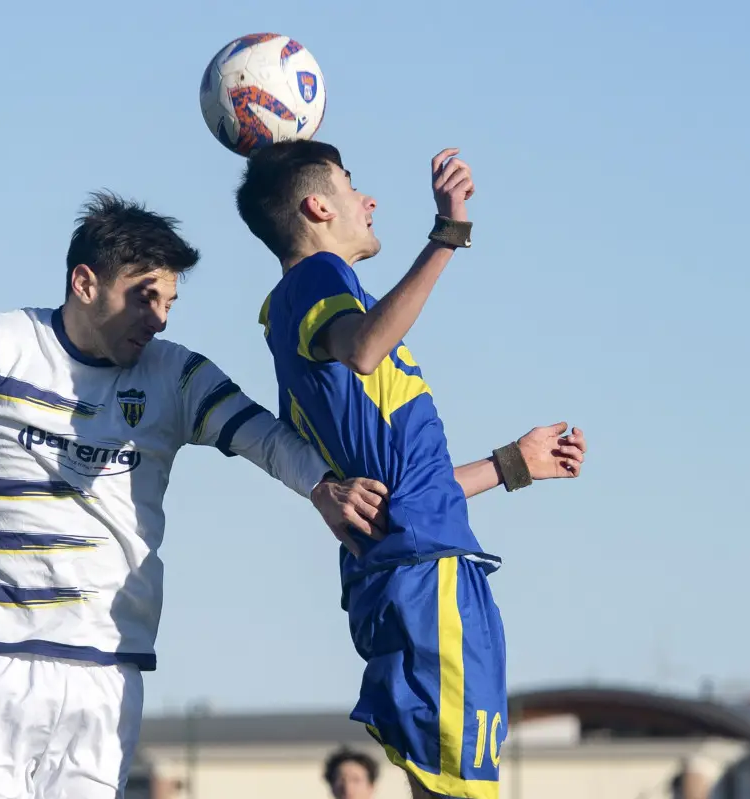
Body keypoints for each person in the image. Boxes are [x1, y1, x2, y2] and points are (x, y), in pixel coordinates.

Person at [0, 192, 389, 799]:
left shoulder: (176, 375)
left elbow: (268, 438)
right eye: (144, 296)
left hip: (110, 668)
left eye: (170, 302)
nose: (160, 318)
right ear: (85, 282)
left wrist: (322, 487)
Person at [235, 141, 588, 799]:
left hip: (419, 564)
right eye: (351, 186)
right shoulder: (317, 280)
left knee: (444, 786)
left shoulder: (316, 305)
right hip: (424, 577)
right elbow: (368, 347)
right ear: (317, 205)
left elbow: (410, 490)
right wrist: (448, 234)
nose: (368, 201)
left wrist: (512, 464)